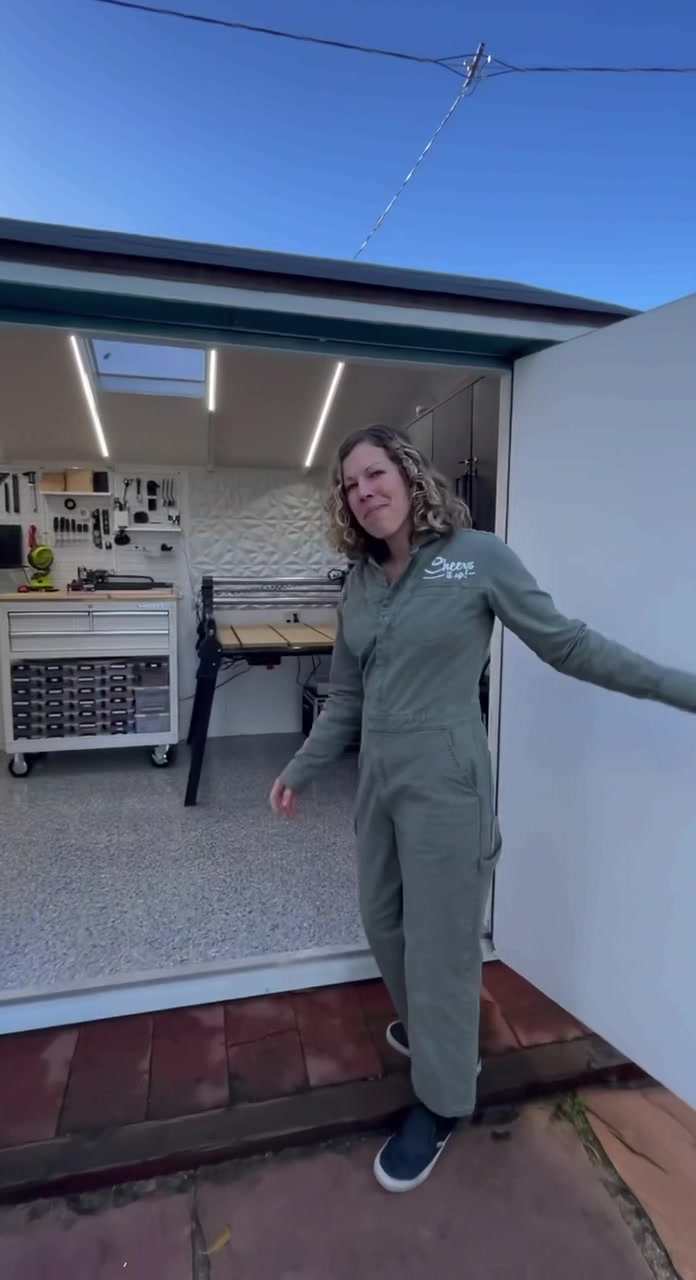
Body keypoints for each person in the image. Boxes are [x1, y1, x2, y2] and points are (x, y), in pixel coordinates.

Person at [269, 424, 696, 1194]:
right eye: (349, 485)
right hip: (379, 778)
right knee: (384, 921)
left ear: (408, 473)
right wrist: (301, 767)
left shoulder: (477, 557)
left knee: (441, 946)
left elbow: (568, 644)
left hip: (447, 777)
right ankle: (441, 1033)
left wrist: (679, 687)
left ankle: (442, 1099)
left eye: (374, 473)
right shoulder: (360, 582)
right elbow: (347, 697)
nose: (363, 492)